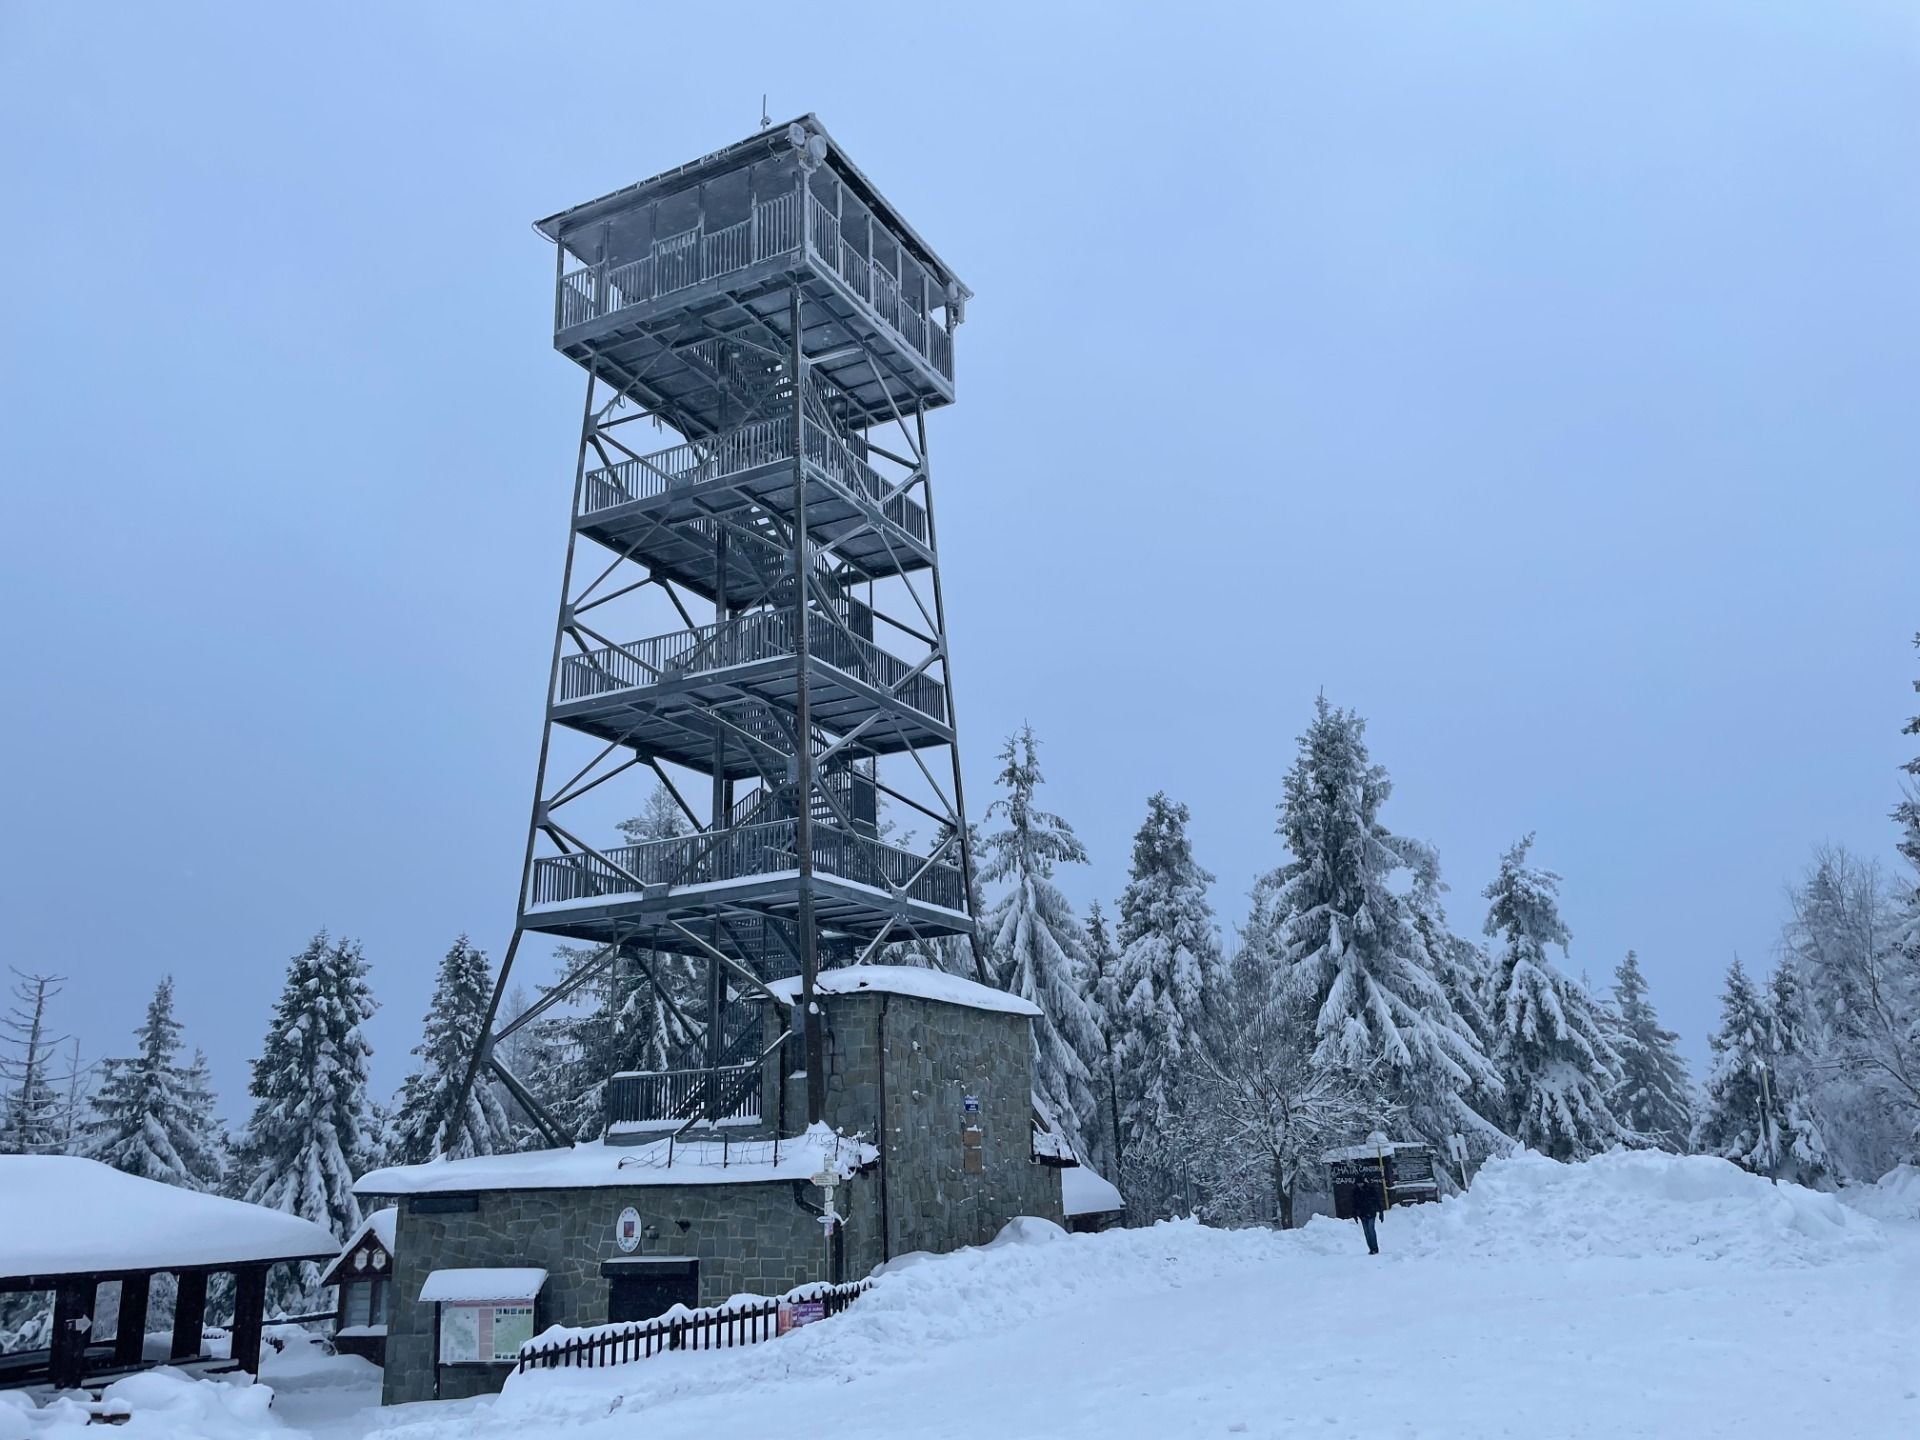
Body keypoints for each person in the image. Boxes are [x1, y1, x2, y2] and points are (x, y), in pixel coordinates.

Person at [1352, 1170, 1384, 1255]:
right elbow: (1354, 1204)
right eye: (1358, 1183)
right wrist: (1354, 1215)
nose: (1359, 1185)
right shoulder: (1355, 1192)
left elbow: (1377, 1200)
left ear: (1363, 1182)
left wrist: (1381, 1212)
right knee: (1366, 1232)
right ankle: (1371, 1248)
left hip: (1371, 1212)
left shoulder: (1370, 1189)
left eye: (1360, 1183)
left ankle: (1375, 1248)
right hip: (1362, 1214)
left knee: (1371, 1229)